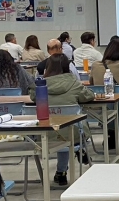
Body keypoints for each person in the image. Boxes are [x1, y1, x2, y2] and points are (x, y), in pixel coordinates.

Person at [31, 54, 94, 186]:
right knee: (69, 129)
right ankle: (76, 153)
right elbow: (89, 96)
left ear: (48, 68)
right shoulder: (74, 84)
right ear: (67, 67)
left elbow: (32, 97)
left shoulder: (39, 86)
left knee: (59, 130)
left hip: (44, 134)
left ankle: (61, 172)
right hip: (73, 133)